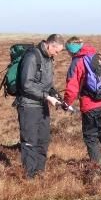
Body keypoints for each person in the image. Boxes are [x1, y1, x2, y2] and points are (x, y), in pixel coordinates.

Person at [62, 36, 101, 170]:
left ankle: (98, 170)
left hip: (90, 104)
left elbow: (72, 88)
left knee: (90, 137)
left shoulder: (77, 61)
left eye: (67, 51)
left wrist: (66, 103)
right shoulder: (98, 56)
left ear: (71, 50)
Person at [15, 34, 65, 179]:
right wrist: (47, 97)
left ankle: (39, 173)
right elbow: (26, 84)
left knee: (43, 140)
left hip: (42, 105)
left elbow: (46, 84)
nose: (57, 54)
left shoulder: (49, 58)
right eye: (57, 51)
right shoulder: (32, 57)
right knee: (30, 141)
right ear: (50, 45)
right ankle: (29, 177)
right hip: (28, 105)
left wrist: (54, 95)